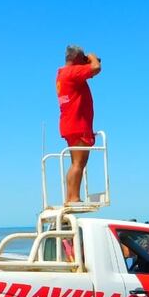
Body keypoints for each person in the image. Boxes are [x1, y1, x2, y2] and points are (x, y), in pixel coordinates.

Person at [56, 45, 102, 203]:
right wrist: (92, 57)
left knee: (75, 163)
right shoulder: (72, 72)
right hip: (78, 124)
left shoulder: (63, 73)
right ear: (76, 59)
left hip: (70, 124)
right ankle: (74, 197)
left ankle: (70, 196)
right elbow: (96, 68)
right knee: (79, 163)